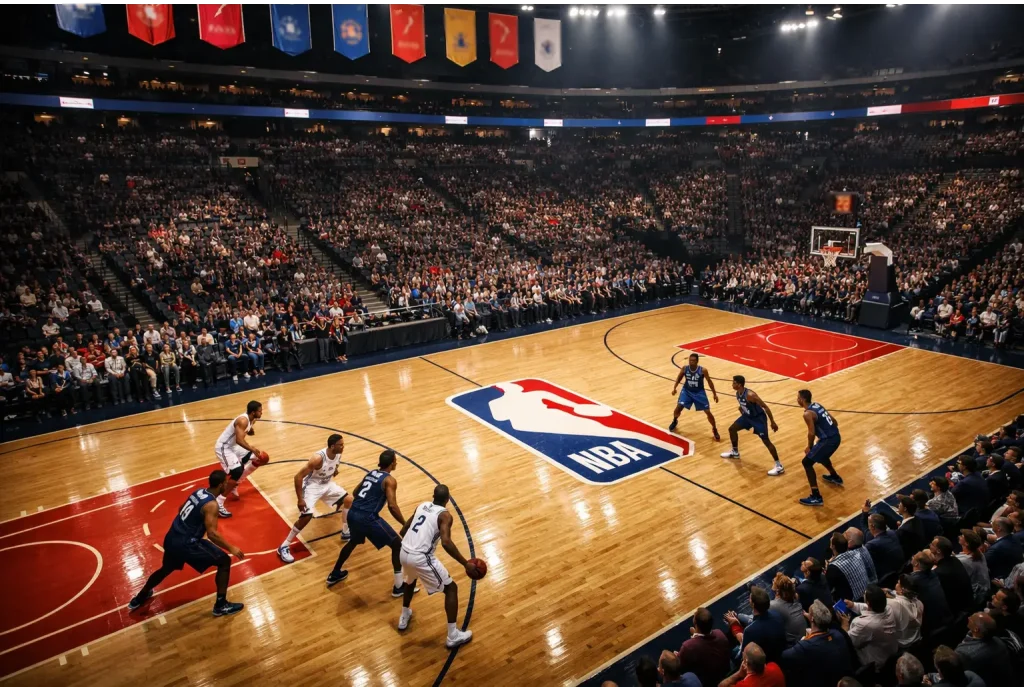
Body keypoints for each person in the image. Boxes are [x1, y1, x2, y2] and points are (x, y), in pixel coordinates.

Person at [127, 470, 245, 617]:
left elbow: (181, 508)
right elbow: (212, 534)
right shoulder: (212, 505)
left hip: (172, 537)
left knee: (166, 568)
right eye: (226, 483)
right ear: (221, 485)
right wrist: (231, 547)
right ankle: (221, 605)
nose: (226, 485)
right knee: (224, 561)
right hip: (187, 544)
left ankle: (141, 596)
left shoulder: (199, 492)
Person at [396, 484, 474, 649]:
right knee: (451, 589)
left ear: (433, 496)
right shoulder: (445, 516)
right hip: (421, 557)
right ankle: (453, 635)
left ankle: (404, 616)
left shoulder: (422, 505)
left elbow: (404, 529)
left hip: (404, 551)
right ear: (447, 500)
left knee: (410, 580)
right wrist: (465, 563)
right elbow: (446, 542)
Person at [327, 449, 412, 596]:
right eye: (395, 460)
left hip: (353, 513)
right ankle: (399, 586)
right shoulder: (389, 480)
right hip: (367, 517)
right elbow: (392, 506)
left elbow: (355, 492)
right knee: (397, 544)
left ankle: (335, 573)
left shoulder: (371, 473)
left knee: (353, 542)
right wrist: (404, 523)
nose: (396, 462)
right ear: (392, 463)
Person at [278, 434, 353, 564]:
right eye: (341, 445)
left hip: (327, 484)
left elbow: (334, 465)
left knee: (349, 500)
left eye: (343, 444)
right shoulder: (317, 458)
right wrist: (300, 499)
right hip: (311, 486)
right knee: (307, 515)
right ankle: (284, 545)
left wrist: (334, 471)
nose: (343, 446)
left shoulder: (338, 454)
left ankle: (346, 532)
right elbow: (298, 477)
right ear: (332, 446)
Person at [779, 599, 853, 687]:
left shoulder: (804, 646)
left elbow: (784, 656)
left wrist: (804, 640)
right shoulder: (837, 634)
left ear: (812, 618)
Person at [720, 375, 782, 477]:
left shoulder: (751, 395)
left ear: (739, 384)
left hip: (759, 419)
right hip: (748, 417)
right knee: (732, 429)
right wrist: (742, 410)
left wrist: (772, 422)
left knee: (766, 441)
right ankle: (735, 452)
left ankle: (779, 466)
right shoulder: (737, 393)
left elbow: (765, 407)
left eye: (734, 382)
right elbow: (743, 405)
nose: (732, 384)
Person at [212, 401, 265, 518]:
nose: (262, 412)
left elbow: (245, 431)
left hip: (234, 447)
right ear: (253, 412)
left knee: (262, 458)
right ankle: (219, 502)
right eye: (260, 411)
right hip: (224, 447)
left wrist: (250, 431)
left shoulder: (252, 420)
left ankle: (236, 484)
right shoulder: (243, 420)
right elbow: (239, 440)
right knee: (236, 471)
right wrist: (252, 448)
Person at [795, 390, 843, 506]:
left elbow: (811, 433)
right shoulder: (817, 405)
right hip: (836, 436)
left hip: (828, 441)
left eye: (797, 397)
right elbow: (834, 421)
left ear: (802, 399)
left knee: (807, 462)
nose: (797, 400)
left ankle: (816, 496)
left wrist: (810, 447)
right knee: (821, 455)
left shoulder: (807, 414)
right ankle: (835, 476)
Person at [843, 584, 899, 671]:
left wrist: (845, 625)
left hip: (875, 664)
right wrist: (854, 605)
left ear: (868, 603)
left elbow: (849, 642)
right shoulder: (888, 608)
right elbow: (872, 608)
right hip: (888, 653)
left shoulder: (864, 624)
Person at [724, 587, 786, 663]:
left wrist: (735, 626)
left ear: (753, 604)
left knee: (733, 653)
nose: (748, 599)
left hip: (765, 662)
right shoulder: (777, 614)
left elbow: (742, 655)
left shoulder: (749, 630)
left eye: (749, 598)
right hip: (778, 652)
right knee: (740, 617)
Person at [669, 353, 721, 441]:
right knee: (678, 408)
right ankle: (675, 420)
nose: (691, 362)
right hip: (687, 391)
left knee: (708, 411)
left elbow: (709, 381)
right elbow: (679, 378)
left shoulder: (703, 370)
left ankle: (714, 429)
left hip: (699, 392)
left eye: (693, 360)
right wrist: (674, 388)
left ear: (697, 361)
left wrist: (714, 394)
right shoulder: (685, 368)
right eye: (690, 360)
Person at [955, 613, 1016, 687]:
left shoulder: (966, 654)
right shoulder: (998, 640)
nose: (968, 617)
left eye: (972, 619)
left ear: (976, 629)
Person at [678, 607, 731, 687]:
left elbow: (678, 668)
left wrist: (677, 655)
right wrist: (695, 636)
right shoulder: (720, 634)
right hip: (724, 674)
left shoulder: (688, 647)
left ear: (695, 622)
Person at [928, 537, 974, 617]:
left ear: (938, 551)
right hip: (967, 602)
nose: (930, 545)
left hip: (956, 609)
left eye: (932, 544)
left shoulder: (939, 573)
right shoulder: (955, 560)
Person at [863, 509, 904, 583]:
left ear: (872, 526)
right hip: (900, 570)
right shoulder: (893, 533)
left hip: (885, 579)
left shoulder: (871, 545)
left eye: (868, 523)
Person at [718, 643, 785, 687]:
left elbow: (720, 686)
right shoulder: (775, 667)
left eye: (743, 653)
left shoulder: (745, 685)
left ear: (746, 662)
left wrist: (739, 673)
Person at [955, 529, 990, 609]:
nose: (959, 537)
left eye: (962, 537)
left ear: (966, 543)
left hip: (975, 594)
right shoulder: (979, 553)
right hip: (984, 589)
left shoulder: (965, 561)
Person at [888, 575, 924, 648]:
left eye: (898, 583)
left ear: (902, 590)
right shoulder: (919, 603)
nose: (896, 584)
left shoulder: (893, 604)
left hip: (904, 643)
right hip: (917, 638)